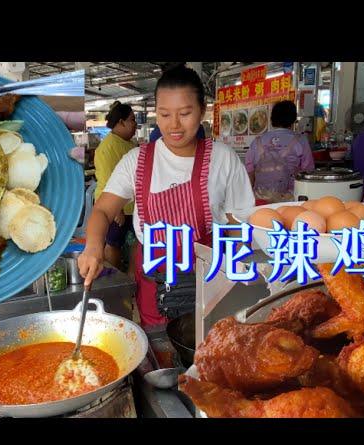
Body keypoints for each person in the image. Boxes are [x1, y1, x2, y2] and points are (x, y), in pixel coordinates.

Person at [78, 65, 255, 332]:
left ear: (202, 111)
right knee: (160, 351)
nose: (174, 125)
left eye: (185, 113)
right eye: (164, 114)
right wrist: (93, 247)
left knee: (212, 348)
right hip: (154, 283)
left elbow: (239, 224)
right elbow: (103, 210)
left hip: (208, 280)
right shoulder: (136, 161)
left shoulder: (223, 158)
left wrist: (235, 277)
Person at [93, 101, 138, 269]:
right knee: (113, 244)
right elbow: (106, 180)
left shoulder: (130, 144)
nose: (135, 124)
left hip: (132, 206)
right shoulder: (107, 147)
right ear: (121, 122)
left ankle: (132, 276)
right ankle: (114, 278)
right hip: (114, 207)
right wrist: (116, 210)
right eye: (132, 120)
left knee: (137, 242)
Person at [245, 100, 314, 203]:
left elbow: (249, 174)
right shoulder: (301, 140)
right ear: (293, 119)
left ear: (272, 119)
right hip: (289, 200)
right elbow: (308, 173)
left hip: (260, 200)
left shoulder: (257, 142)